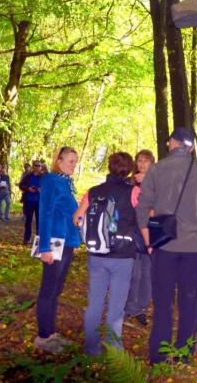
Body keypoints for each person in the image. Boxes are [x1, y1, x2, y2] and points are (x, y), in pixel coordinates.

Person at [136, 127, 197, 365]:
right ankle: (184, 354)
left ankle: (159, 356)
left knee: (162, 302)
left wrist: (149, 243)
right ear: (191, 148)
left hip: (164, 246)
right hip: (194, 248)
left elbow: (142, 209)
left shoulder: (156, 170)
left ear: (172, 143)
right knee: (189, 301)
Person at [72, 152, 140, 356]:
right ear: (129, 170)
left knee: (95, 303)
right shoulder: (134, 192)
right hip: (123, 256)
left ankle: (91, 348)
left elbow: (77, 218)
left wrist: (90, 232)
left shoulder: (93, 191)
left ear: (110, 167)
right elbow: (149, 215)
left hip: (96, 255)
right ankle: (114, 350)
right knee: (116, 306)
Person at [33, 147, 81, 353]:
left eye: (75, 161)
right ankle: (43, 337)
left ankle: (51, 333)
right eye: (70, 161)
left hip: (66, 243)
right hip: (54, 244)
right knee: (48, 290)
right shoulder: (52, 181)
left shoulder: (65, 183)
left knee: (55, 290)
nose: (74, 165)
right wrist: (45, 248)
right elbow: (45, 214)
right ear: (59, 162)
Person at [124, 149, 156, 327]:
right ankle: (130, 307)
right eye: (140, 160)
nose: (142, 164)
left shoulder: (157, 182)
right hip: (134, 234)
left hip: (153, 234)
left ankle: (142, 308)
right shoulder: (130, 184)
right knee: (134, 274)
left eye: (146, 160)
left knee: (148, 275)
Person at [19, 161, 43, 245]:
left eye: (39, 166)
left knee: (39, 222)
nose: (37, 167)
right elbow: (21, 185)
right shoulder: (28, 176)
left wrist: (41, 189)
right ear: (33, 166)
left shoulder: (43, 177)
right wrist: (28, 188)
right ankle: (27, 239)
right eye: (36, 165)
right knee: (28, 221)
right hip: (29, 201)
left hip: (40, 202)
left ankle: (39, 241)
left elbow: (49, 188)